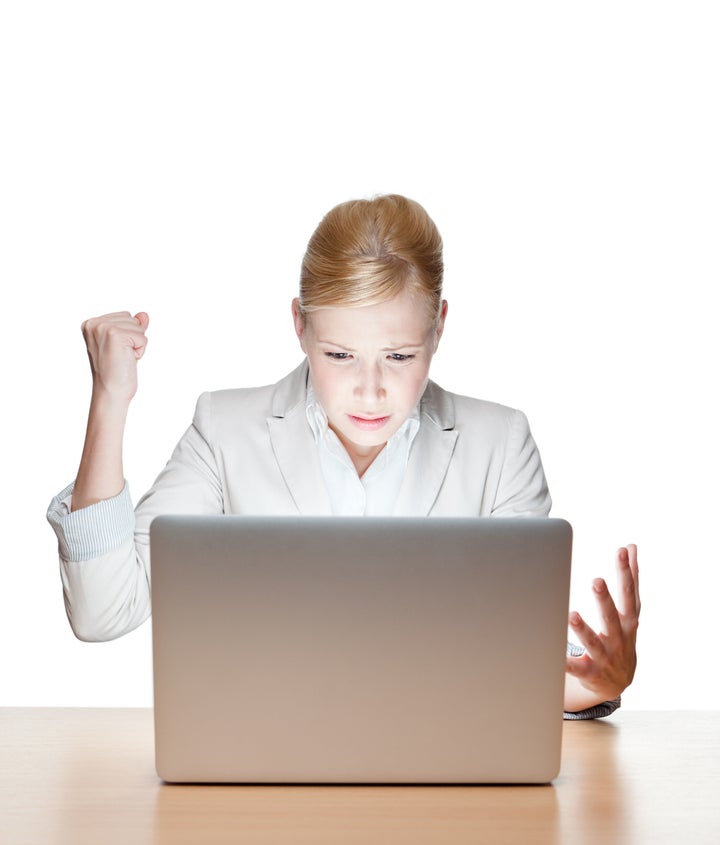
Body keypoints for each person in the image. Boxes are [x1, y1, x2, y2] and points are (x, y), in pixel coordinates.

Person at [47, 194, 640, 718]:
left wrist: (598, 684)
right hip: (264, 771)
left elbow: (517, 659)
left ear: (438, 329)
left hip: (439, 779)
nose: (370, 389)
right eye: (339, 355)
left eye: (400, 357)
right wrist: (110, 399)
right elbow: (102, 613)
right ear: (300, 327)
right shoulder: (224, 431)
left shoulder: (500, 444)